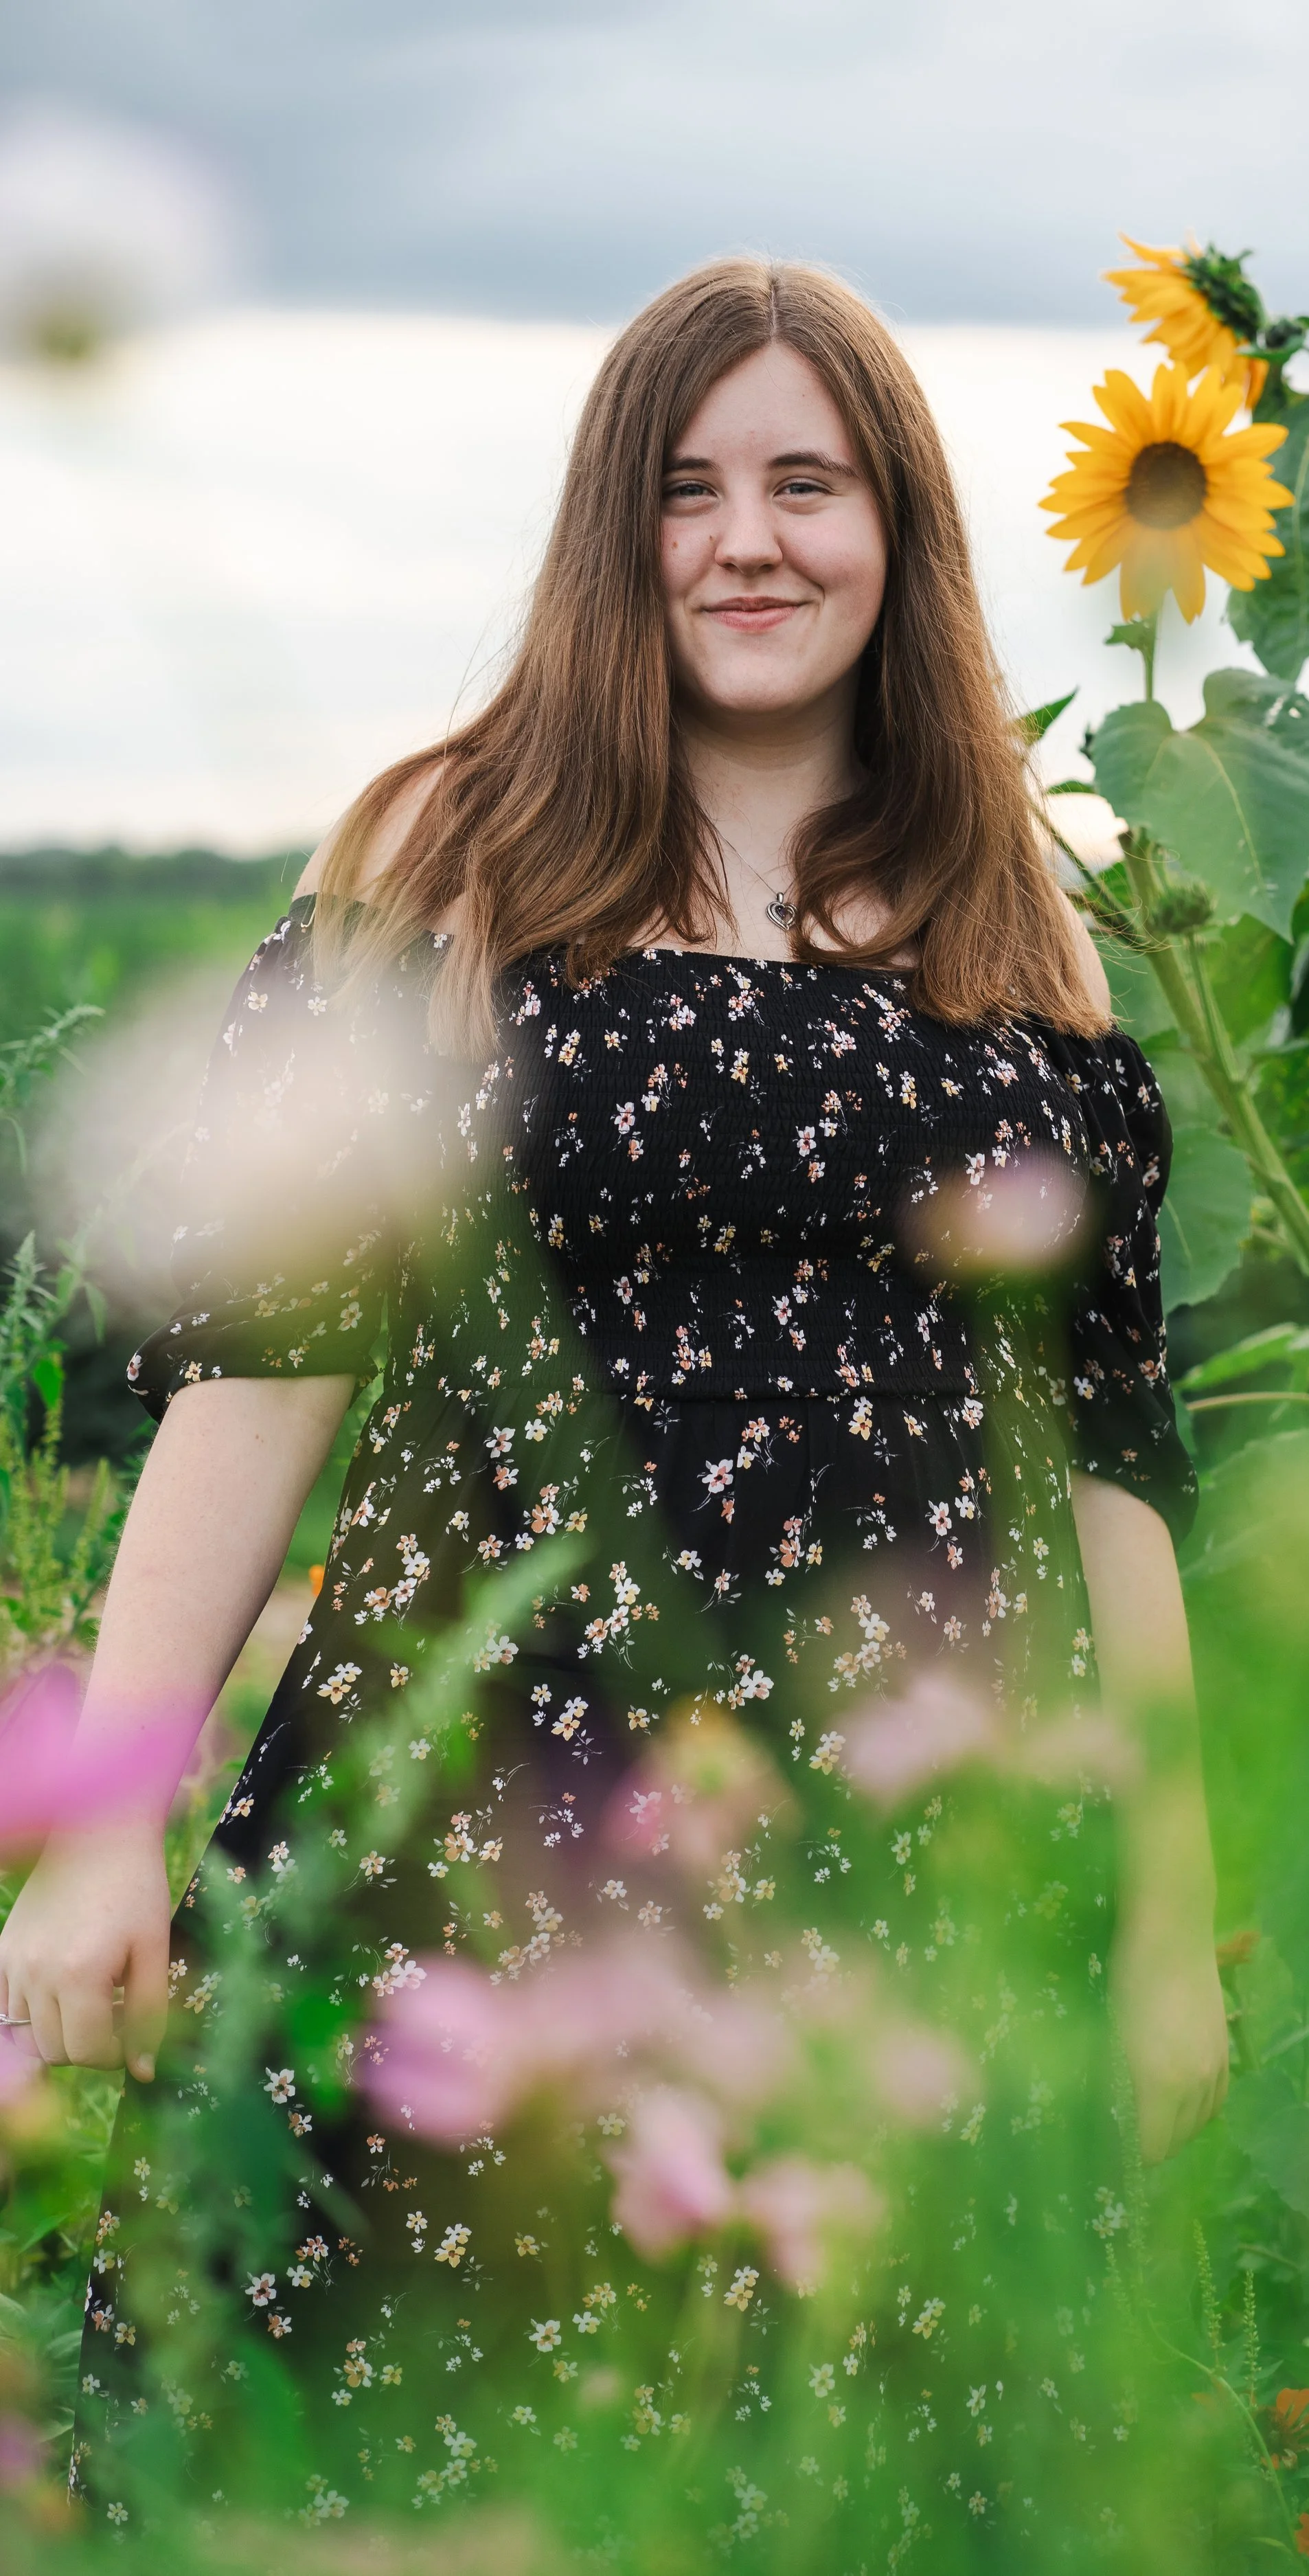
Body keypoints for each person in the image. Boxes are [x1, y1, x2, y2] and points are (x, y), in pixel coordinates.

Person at [0, 258, 1227, 2543]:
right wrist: (96, 1831)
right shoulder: (446, 866)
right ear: (610, 535)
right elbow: (264, 1376)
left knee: (868, 2482)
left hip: (918, 1879)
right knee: (409, 2481)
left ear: (900, 533)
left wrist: (1167, 1941)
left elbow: (1115, 1477)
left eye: (804, 481)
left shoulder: (1011, 926)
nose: (746, 539)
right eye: (684, 489)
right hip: (473, 1851)